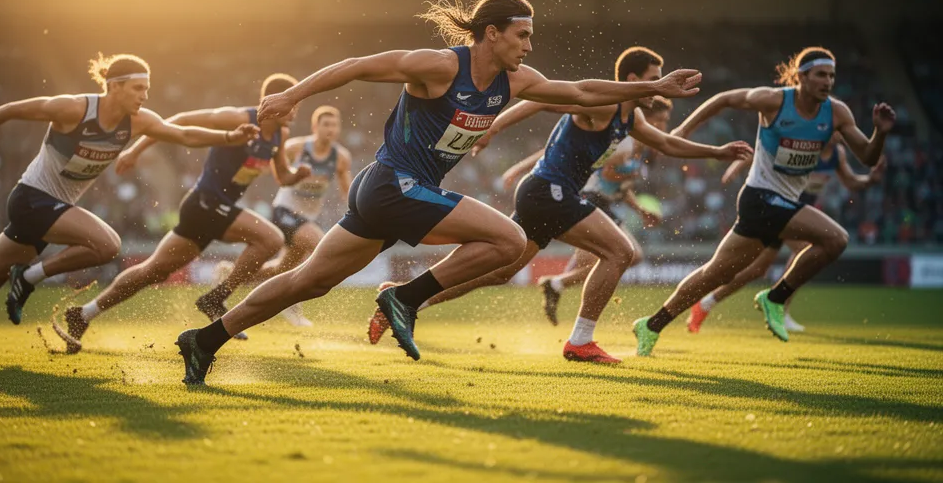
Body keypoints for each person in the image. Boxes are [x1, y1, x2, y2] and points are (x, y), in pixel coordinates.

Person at [173, 0, 707, 385]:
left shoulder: (516, 81)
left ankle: (204, 340)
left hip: (390, 193)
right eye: (522, 34)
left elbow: (583, 91)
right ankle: (404, 299)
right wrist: (293, 95)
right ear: (491, 33)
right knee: (507, 242)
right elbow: (358, 66)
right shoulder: (437, 66)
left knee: (306, 282)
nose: (529, 44)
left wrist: (652, 87)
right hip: (390, 186)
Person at [366, 47, 750, 364]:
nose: (661, 81)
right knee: (621, 252)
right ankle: (581, 341)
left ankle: (405, 296)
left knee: (500, 272)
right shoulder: (602, 105)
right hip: (549, 192)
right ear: (635, 80)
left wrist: (717, 151)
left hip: (546, 195)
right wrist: (492, 127)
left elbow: (668, 145)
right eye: (656, 74)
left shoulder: (628, 115)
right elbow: (537, 101)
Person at [0, 53, 259, 340]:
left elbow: (183, 133)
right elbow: (12, 109)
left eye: (147, 89)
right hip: (31, 199)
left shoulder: (138, 121)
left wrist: (231, 136)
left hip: (52, 209)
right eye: (138, 88)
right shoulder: (74, 110)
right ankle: (29, 276)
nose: (144, 96)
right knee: (108, 245)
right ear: (114, 86)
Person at [633, 47, 895, 356]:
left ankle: (651, 324)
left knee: (715, 274)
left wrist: (879, 132)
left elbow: (867, 156)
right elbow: (723, 99)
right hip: (760, 198)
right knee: (836, 239)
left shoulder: (837, 113)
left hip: (780, 203)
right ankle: (776, 298)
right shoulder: (774, 101)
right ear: (801, 77)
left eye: (832, 75)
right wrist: (682, 130)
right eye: (821, 75)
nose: (828, 81)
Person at [54, 74, 308, 353]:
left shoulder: (280, 136)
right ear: (270, 102)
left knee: (152, 270)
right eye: (292, 102)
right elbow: (180, 120)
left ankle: (83, 314)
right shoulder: (238, 118)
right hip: (205, 203)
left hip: (214, 210)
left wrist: (299, 176)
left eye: (297, 103)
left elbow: (283, 176)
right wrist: (135, 151)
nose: (295, 110)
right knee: (270, 240)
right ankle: (217, 297)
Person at [686, 132, 885, 333]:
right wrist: (740, 164)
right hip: (781, 209)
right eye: (835, 128)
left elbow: (851, 181)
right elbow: (768, 156)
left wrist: (870, 180)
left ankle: (705, 304)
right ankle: (779, 305)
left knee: (757, 269)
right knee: (805, 249)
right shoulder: (807, 145)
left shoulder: (838, 154)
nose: (838, 133)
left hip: (799, 215)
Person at [535, 97, 671, 326]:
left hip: (603, 202)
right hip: (589, 198)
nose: (664, 127)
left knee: (607, 259)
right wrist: (630, 175)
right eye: (660, 121)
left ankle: (557, 286)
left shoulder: (642, 150)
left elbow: (621, 188)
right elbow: (606, 174)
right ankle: (568, 304)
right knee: (627, 255)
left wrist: (640, 210)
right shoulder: (625, 143)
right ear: (646, 119)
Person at [260, 105, 353, 327]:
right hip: (284, 210)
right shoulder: (297, 147)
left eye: (334, 124)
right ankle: (292, 305)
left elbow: (347, 192)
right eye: (326, 124)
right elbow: (274, 164)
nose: (330, 129)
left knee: (281, 269)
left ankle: (229, 275)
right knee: (321, 246)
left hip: (307, 218)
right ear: (315, 127)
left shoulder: (341, 157)